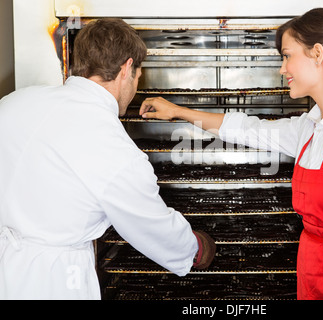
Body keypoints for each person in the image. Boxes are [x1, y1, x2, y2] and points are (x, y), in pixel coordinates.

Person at [139, 8, 323, 300]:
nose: (283, 69)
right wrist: (178, 112)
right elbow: (245, 129)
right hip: (314, 282)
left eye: (287, 55)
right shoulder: (311, 128)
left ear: (318, 54)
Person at [0, 18, 215, 300]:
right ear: (126, 68)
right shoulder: (114, 147)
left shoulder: (14, 102)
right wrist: (196, 249)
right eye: (138, 75)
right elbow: (151, 226)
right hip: (53, 280)